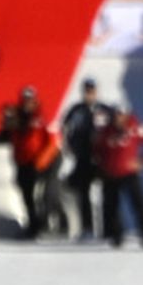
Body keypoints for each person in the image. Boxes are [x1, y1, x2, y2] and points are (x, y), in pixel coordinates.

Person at [96, 105, 143, 248]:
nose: (118, 118)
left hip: (129, 174)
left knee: (139, 204)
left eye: (121, 115)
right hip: (110, 174)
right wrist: (101, 165)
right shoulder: (106, 130)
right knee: (110, 207)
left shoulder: (135, 128)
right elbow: (97, 149)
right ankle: (116, 236)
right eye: (116, 115)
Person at [5, 86, 63, 239]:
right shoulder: (17, 118)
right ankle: (34, 226)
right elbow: (12, 138)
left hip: (45, 161)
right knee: (27, 195)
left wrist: (40, 162)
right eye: (25, 100)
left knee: (47, 193)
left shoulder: (43, 116)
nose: (27, 103)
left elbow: (53, 142)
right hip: (25, 162)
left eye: (30, 100)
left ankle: (52, 223)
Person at [60, 79, 102, 239]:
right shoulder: (76, 110)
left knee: (107, 194)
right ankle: (87, 227)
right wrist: (68, 146)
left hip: (100, 158)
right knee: (82, 193)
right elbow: (65, 128)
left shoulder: (102, 110)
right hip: (82, 157)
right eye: (86, 91)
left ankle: (109, 228)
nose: (89, 94)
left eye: (91, 91)